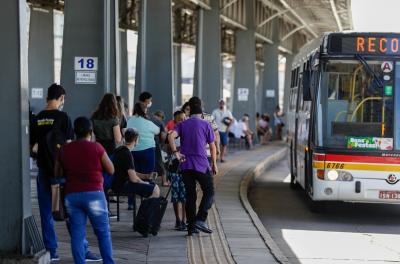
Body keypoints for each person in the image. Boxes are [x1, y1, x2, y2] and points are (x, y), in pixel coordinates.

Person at [32, 84, 100, 261]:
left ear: (48, 97)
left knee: (46, 213)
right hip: (61, 174)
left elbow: (32, 148)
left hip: (43, 172)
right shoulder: (63, 117)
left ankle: (51, 251)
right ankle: (83, 250)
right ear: (61, 97)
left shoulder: (37, 118)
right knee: (71, 213)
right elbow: (70, 147)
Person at [56, 117, 115, 264]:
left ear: (75, 132)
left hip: (72, 195)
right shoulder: (97, 148)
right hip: (95, 194)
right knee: (103, 233)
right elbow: (111, 169)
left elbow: (57, 173)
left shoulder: (64, 149)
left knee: (77, 234)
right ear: (91, 131)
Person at [168, 97, 218, 236]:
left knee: (190, 196)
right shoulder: (206, 124)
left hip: (185, 165)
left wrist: (176, 154)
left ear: (190, 112)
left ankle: (191, 228)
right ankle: (200, 219)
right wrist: (214, 163)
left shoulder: (183, 124)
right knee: (209, 191)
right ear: (201, 113)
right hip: (201, 164)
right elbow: (213, 147)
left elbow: (171, 137)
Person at [126, 103, 160, 209]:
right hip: (147, 151)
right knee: (148, 176)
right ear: (144, 110)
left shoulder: (130, 120)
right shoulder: (147, 122)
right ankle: (147, 201)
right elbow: (158, 130)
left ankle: (131, 203)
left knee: (133, 176)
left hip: (133, 151)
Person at [111, 128, 160, 198]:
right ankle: (145, 209)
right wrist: (145, 183)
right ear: (136, 140)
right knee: (154, 189)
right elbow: (133, 178)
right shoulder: (127, 154)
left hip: (117, 184)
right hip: (122, 186)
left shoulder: (120, 150)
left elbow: (131, 172)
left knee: (154, 186)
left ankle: (145, 208)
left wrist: (147, 176)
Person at [165, 110, 187, 231]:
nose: (183, 121)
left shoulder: (188, 133)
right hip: (174, 168)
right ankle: (177, 220)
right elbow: (168, 148)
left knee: (184, 196)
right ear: (175, 121)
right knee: (175, 196)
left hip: (185, 168)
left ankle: (184, 220)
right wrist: (176, 149)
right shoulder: (171, 133)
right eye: (180, 119)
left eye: (184, 118)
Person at [151, 110, 168, 186]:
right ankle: (164, 181)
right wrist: (162, 144)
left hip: (145, 144)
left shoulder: (148, 119)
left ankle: (149, 180)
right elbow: (163, 136)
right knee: (160, 162)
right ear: (161, 117)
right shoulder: (160, 122)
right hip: (155, 144)